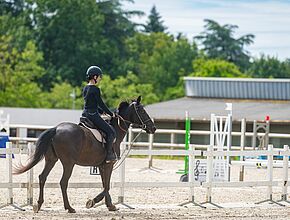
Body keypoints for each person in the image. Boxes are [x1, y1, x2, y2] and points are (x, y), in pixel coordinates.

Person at [82, 65, 117, 163]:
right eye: (99, 77)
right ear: (95, 77)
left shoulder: (85, 88)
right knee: (110, 132)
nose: (100, 79)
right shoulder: (95, 89)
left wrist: (102, 112)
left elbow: (91, 104)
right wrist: (111, 113)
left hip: (85, 114)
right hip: (93, 115)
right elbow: (101, 104)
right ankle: (109, 155)